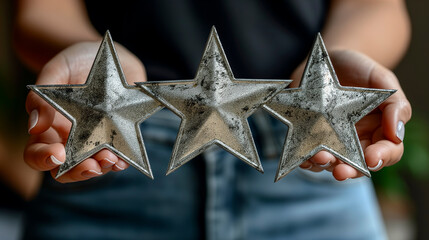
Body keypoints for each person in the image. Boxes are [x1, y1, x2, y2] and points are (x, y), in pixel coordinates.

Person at [14, 0, 412, 239]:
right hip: (112, 159)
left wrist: (328, 72)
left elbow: (377, 5)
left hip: (309, 161)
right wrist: (103, 69)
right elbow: (41, 9)